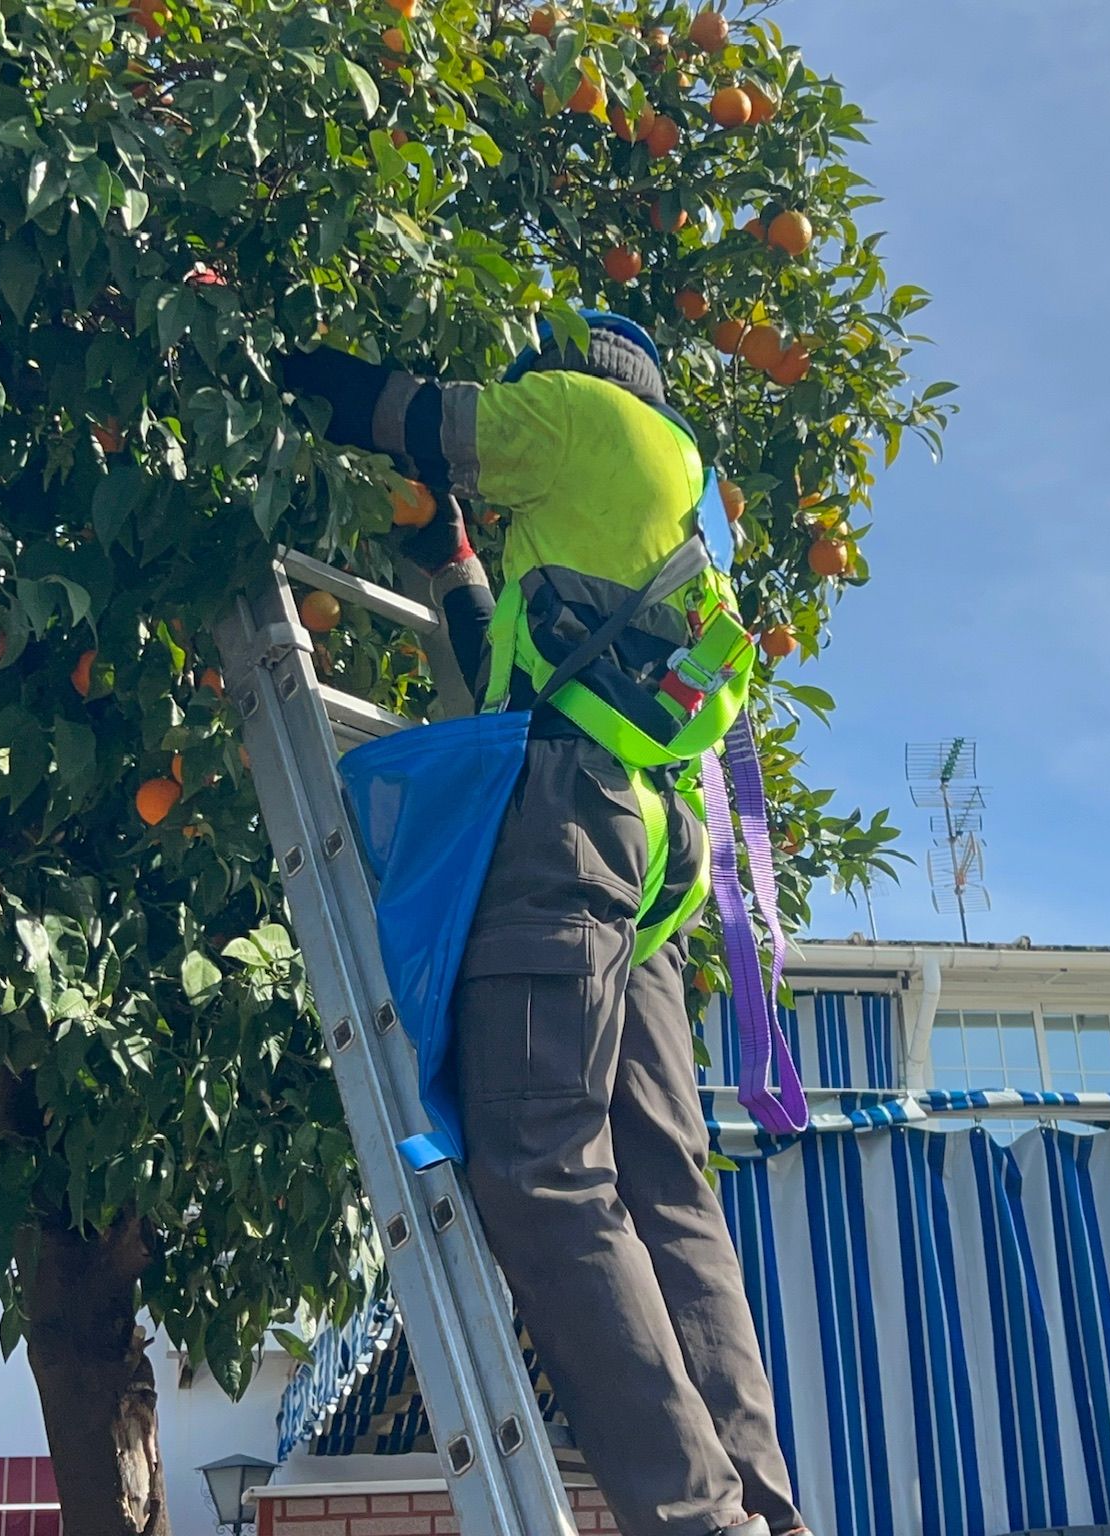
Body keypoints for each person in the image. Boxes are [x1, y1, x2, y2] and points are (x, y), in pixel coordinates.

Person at [276, 316, 802, 1536]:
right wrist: (454, 559)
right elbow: (512, 654)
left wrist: (269, 354)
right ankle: (762, 1512)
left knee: (539, 1167)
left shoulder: (574, 416)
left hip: (567, 826)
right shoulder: (685, 502)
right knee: (667, 1192)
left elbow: (416, 417)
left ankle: (690, 1520)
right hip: (647, 851)